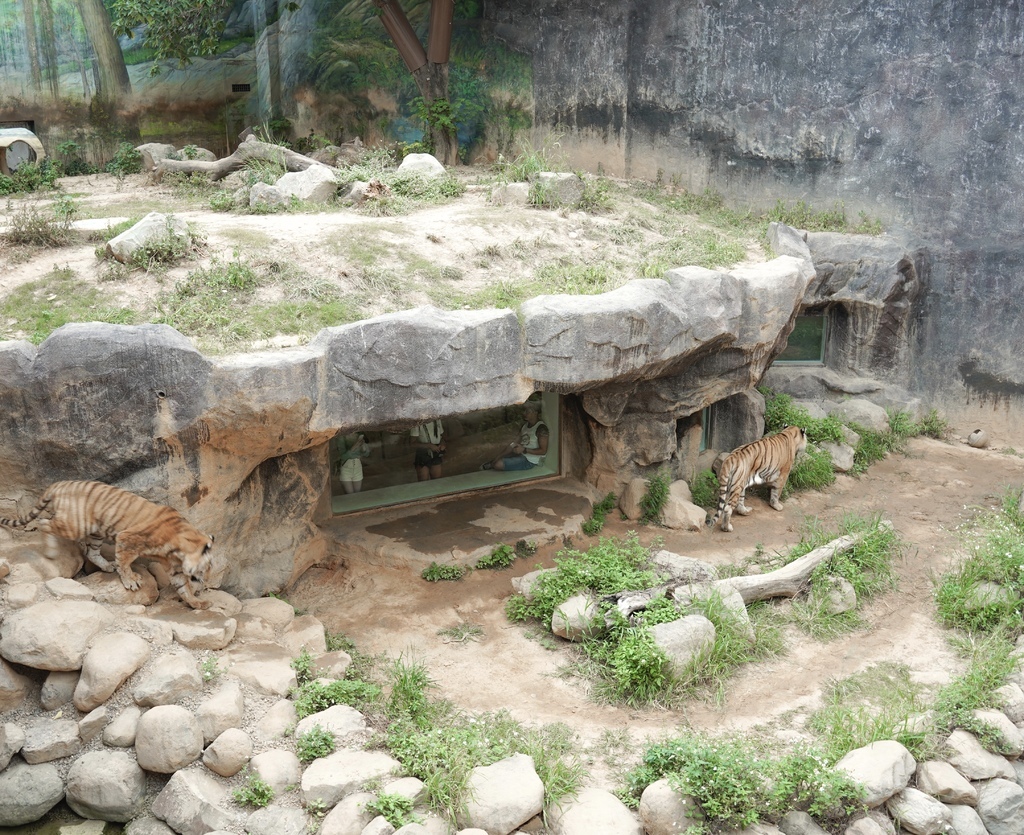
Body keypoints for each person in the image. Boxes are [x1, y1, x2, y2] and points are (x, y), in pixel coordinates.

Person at [481, 401, 549, 471]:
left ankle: (493, 464)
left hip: (530, 461)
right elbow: (514, 443)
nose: (524, 413)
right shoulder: (525, 426)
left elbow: (543, 451)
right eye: (524, 411)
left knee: (498, 464)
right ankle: (493, 463)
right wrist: (498, 457)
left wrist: (524, 450)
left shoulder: (541, 428)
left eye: (527, 411)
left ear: (536, 412)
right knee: (498, 459)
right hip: (522, 455)